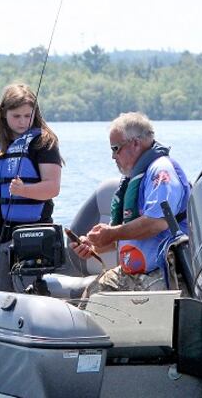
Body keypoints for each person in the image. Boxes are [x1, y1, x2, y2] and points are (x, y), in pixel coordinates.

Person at [71, 112, 190, 297]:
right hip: (133, 274)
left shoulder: (161, 170)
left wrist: (112, 233)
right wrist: (93, 246)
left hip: (163, 274)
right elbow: (125, 235)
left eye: (116, 148)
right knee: (92, 297)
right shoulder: (133, 179)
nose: (113, 156)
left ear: (135, 143)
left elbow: (157, 222)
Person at [0, 83, 63, 292]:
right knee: (1, 292)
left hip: (32, 232)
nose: (23, 122)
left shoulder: (44, 142)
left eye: (28, 115)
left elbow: (52, 187)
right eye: (16, 116)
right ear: (3, 114)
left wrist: (25, 190)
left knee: (29, 292)